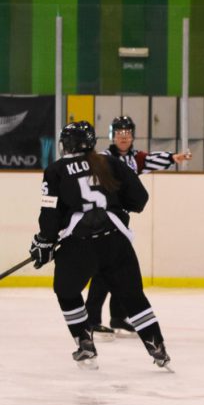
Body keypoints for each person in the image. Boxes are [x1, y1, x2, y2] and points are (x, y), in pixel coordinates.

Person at [29, 121, 171, 371]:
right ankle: (156, 346)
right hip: (116, 241)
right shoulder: (109, 162)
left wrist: (45, 240)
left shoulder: (56, 170)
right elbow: (139, 198)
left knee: (66, 291)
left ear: (66, 145)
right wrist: (117, 208)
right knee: (133, 297)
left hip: (79, 245)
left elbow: (49, 212)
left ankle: (85, 342)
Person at [86, 115, 192, 341]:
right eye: (119, 134)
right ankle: (92, 320)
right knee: (103, 271)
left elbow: (150, 159)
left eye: (127, 134)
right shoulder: (103, 158)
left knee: (119, 269)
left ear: (133, 136)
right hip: (103, 220)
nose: (123, 138)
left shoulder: (135, 159)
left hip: (121, 220)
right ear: (112, 136)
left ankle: (117, 317)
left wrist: (173, 157)